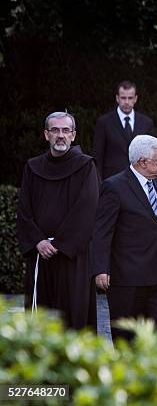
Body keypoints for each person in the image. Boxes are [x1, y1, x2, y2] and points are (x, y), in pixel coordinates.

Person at [92, 135, 157, 343]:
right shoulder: (114, 187)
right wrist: (100, 269)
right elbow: (102, 232)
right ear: (142, 162)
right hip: (127, 280)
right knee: (126, 340)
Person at [17, 111, 99, 330]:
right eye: (55, 130)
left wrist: (59, 244)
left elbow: (87, 210)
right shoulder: (32, 167)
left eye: (65, 130)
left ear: (73, 135)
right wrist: (38, 241)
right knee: (40, 320)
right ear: (46, 135)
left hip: (73, 258)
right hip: (40, 256)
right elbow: (24, 210)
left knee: (74, 317)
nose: (60, 135)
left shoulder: (86, 166)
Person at [93, 80, 155, 180]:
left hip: (140, 179)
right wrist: (98, 182)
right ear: (117, 98)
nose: (126, 102)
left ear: (135, 98)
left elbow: (152, 154)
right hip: (111, 180)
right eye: (123, 98)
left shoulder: (146, 123)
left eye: (130, 98)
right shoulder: (104, 122)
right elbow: (98, 156)